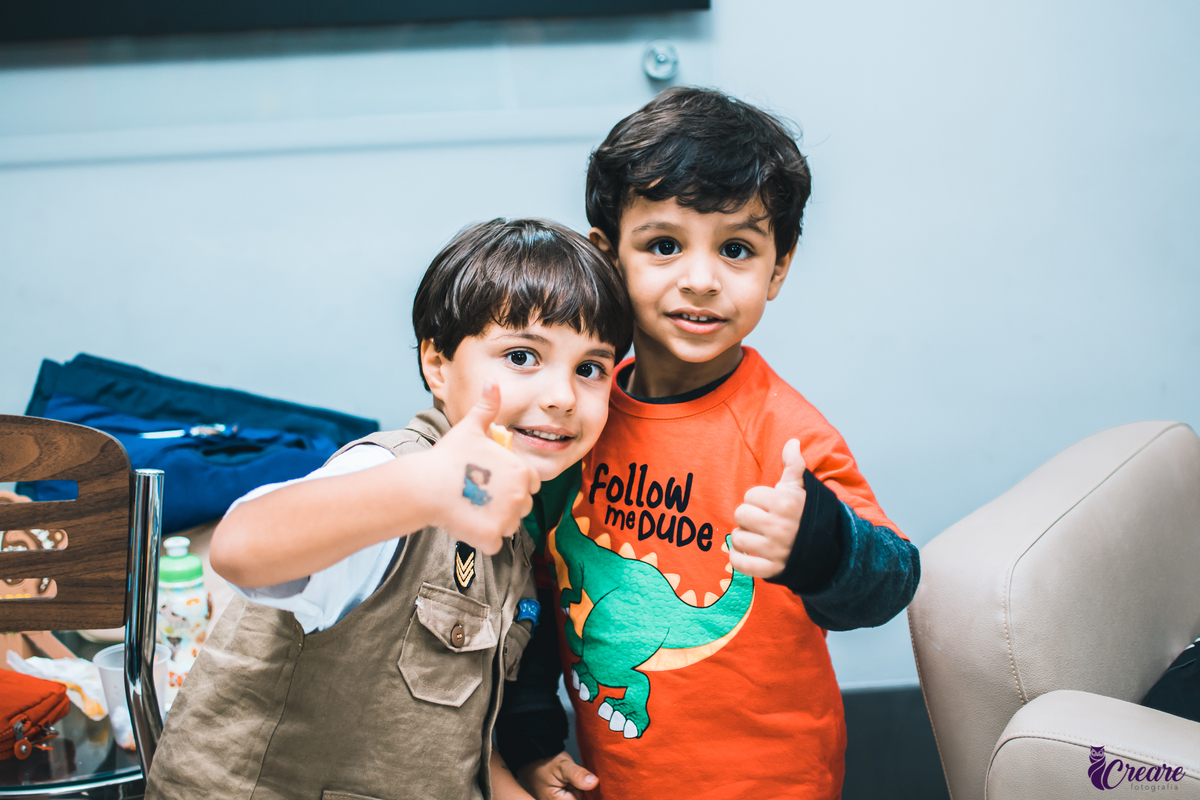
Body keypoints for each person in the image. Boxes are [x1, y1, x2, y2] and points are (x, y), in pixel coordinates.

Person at [495, 88, 921, 800]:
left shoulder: (785, 434)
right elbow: (534, 594)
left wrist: (817, 541)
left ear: (778, 268)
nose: (700, 279)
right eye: (664, 245)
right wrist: (531, 740)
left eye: (736, 250)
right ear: (608, 257)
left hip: (774, 780)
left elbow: (892, 581)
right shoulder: (574, 420)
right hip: (622, 772)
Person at [146, 218, 633, 800]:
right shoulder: (394, 474)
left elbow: (446, 730)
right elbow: (240, 548)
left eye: (590, 368)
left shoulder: (510, 531)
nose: (561, 396)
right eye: (523, 356)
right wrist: (425, 486)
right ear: (437, 363)